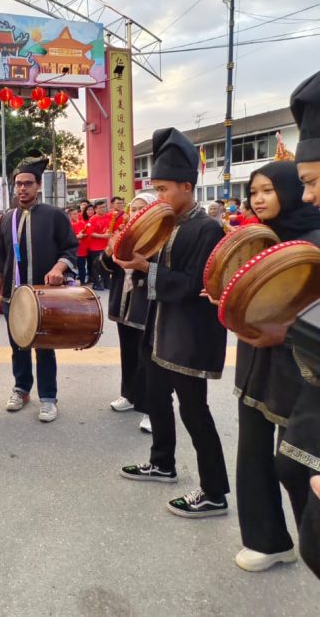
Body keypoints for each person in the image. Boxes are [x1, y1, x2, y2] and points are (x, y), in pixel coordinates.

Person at [117, 127, 230, 518]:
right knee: (155, 398)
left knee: (194, 411)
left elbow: (190, 285)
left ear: (186, 186)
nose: (158, 197)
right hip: (157, 327)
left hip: (188, 335)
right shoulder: (165, 224)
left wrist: (146, 267)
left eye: (164, 189)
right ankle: (162, 464)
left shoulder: (207, 228)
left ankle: (214, 492)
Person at [218, 161, 320, 571]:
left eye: (267, 191)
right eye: (254, 192)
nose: (258, 199)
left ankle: (311, 545)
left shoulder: (314, 239)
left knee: (295, 461)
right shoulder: (259, 241)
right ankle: (267, 539)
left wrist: (283, 332)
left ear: (290, 191)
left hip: (300, 367)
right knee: (252, 449)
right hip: (255, 356)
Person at [0, 152, 78, 422]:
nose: (23, 188)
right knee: (18, 346)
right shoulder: (7, 219)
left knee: (44, 346)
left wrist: (58, 268)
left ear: (38, 186)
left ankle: (49, 398)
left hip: (44, 297)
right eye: (18, 184)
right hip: (12, 296)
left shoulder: (54, 216)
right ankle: (21, 388)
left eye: (28, 183)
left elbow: (71, 249)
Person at [101, 193, 156, 433]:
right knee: (128, 353)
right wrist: (108, 251)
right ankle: (129, 395)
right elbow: (104, 268)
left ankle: (152, 409)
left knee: (148, 359)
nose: (136, 214)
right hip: (123, 305)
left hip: (147, 306)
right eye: (134, 209)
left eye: (142, 209)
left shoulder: (160, 238)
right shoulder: (124, 235)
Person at [69, 206, 89, 285]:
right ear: (70, 215)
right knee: (72, 267)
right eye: (73, 214)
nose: (76, 216)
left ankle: (83, 282)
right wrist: (77, 236)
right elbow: (68, 236)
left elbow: (87, 234)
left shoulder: (82, 223)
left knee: (82, 267)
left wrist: (83, 235)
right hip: (72, 250)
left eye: (76, 214)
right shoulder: (68, 224)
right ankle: (71, 282)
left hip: (81, 249)